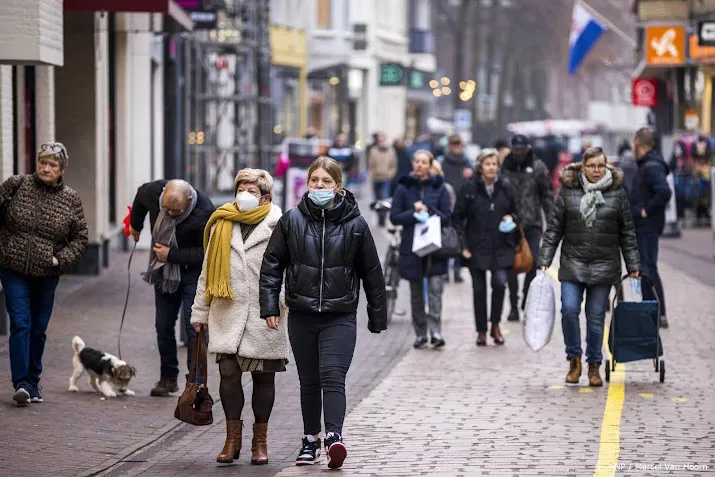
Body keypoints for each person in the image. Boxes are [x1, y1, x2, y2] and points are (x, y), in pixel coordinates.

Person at [259, 157, 386, 469]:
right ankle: (309, 439)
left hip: (339, 314)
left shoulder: (356, 225)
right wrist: (269, 305)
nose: (319, 186)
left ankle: (333, 437)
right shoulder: (291, 221)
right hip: (302, 313)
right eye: (314, 180)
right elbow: (272, 265)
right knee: (309, 381)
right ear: (307, 184)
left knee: (333, 376)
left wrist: (376, 314)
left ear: (337, 186)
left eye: (325, 182)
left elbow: (372, 272)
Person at [191, 169, 288, 465]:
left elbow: (290, 271)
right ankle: (232, 439)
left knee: (263, 377)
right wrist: (200, 311)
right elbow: (208, 271)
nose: (244, 195)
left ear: (266, 197)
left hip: (265, 315)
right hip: (227, 313)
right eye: (240, 189)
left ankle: (260, 442)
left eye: (252, 190)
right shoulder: (221, 222)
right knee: (229, 375)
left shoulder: (279, 226)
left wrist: (280, 303)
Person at [537, 147, 641, 387]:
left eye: (601, 166)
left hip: (605, 265)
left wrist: (633, 264)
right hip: (573, 263)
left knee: (595, 318)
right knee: (570, 310)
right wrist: (544, 258)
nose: (596, 170)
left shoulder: (617, 194)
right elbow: (554, 230)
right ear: (582, 167)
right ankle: (574, 359)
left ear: (607, 167)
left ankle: (594, 364)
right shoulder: (567, 192)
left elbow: (627, 233)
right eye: (592, 165)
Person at [0, 142, 88, 405]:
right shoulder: (17, 185)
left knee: (38, 329)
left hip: (46, 274)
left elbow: (81, 238)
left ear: (62, 169)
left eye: (52, 165)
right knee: (20, 323)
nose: (46, 168)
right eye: (42, 162)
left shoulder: (70, 199)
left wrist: (59, 260)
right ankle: (22, 384)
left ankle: (33, 380)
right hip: (13, 269)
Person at [129, 179, 215, 396]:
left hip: (192, 274)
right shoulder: (153, 192)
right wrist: (135, 225)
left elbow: (206, 252)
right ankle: (167, 378)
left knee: (194, 328)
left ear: (188, 201)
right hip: (164, 272)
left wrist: (171, 255)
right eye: (165, 208)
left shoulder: (205, 211)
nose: (168, 214)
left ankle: (195, 383)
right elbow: (140, 197)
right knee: (163, 325)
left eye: (175, 211)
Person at [453, 149, 519, 346]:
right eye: (488, 164)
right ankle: (481, 330)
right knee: (479, 289)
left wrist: (512, 218)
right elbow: (457, 217)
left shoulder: (506, 187)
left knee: (499, 284)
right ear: (480, 166)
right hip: (476, 246)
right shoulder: (469, 188)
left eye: (494, 164)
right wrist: (462, 245)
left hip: (501, 245)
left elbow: (518, 212)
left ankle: (495, 325)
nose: (491, 168)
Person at [391, 150, 452, 349]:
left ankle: (435, 330)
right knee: (416, 293)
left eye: (423, 162)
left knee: (435, 291)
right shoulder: (403, 187)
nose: (419, 165)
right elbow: (395, 217)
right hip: (412, 247)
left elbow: (447, 217)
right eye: (416, 161)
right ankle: (420, 334)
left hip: (435, 248)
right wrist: (413, 212)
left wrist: (428, 210)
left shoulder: (439, 187)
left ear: (430, 165)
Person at [501, 134, 554, 321]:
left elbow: (547, 195)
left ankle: (526, 298)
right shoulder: (504, 167)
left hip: (533, 223)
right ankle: (513, 305)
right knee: (511, 265)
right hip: (509, 224)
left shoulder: (538, 167)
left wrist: (551, 222)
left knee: (532, 261)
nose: (518, 153)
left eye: (521, 150)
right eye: (515, 150)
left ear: (527, 148)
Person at [630, 127, 672, 328]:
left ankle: (658, 312)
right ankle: (650, 311)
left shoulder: (652, 166)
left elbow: (664, 192)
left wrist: (646, 211)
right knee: (645, 268)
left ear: (637, 143)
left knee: (649, 267)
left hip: (648, 226)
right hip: (643, 226)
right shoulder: (646, 164)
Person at [437, 134, 473, 282]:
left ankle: (457, 270)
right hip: (446, 204)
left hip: (463, 205)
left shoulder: (468, 162)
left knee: (460, 238)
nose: (456, 147)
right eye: (454, 144)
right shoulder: (441, 162)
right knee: (446, 238)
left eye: (458, 144)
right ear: (449, 146)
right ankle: (446, 271)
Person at [367, 132, 397, 226]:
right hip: (376, 178)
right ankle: (379, 216)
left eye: (382, 138)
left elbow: (394, 165)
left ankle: (383, 218)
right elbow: (370, 164)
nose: (380, 140)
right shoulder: (373, 150)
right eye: (379, 138)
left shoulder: (391, 150)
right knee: (376, 199)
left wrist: (390, 174)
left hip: (386, 178)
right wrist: (371, 174)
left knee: (384, 198)